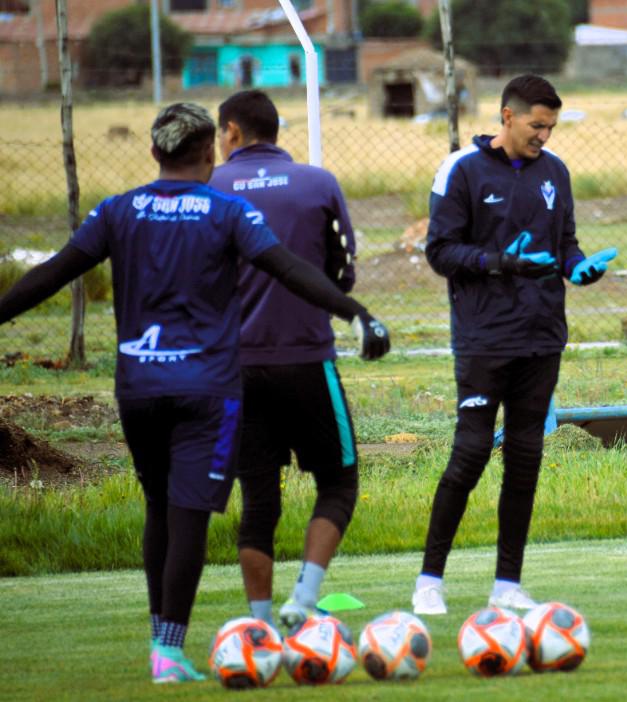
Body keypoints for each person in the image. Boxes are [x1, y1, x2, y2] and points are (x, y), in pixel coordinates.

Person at [0, 103, 389, 683]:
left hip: (138, 387)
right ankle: (168, 654)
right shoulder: (227, 211)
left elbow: (53, 272)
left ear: (155, 153)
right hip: (207, 390)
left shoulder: (118, 210)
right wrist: (354, 312)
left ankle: (165, 644)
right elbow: (287, 268)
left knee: (158, 507)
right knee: (187, 517)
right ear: (210, 153)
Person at [412, 74, 617, 616]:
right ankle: (429, 579)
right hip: (484, 339)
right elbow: (440, 252)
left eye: (550, 127)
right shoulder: (462, 170)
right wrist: (502, 263)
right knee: (471, 454)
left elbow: (565, 243)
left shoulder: (555, 173)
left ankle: (508, 584)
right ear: (507, 116)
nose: (544, 136)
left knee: (525, 457)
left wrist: (581, 268)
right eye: (536, 125)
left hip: (542, 338)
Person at [208, 89, 364, 633]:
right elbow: (344, 270)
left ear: (231, 132)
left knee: (258, 498)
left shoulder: (211, 187)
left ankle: (259, 623)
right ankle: (304, 597)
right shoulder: (318, 182)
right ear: (276, 131)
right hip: (306, 356)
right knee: (340, 483)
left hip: (237, 368)